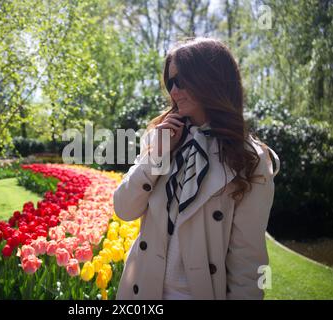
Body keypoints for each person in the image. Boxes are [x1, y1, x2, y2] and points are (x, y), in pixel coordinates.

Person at [113, 37, 280, 300]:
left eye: (182, 80)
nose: (174, 91)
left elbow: (248, 261)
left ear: (211, 79)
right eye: (171, 82)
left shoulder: (250, 159)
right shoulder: (162, 137)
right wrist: (156, 155)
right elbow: (124, 208)